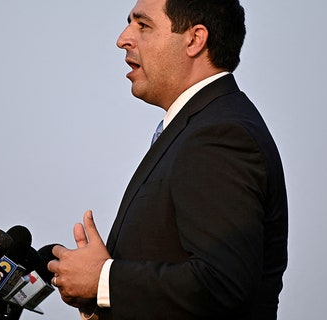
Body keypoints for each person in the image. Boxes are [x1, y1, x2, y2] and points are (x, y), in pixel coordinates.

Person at [47, 0, 288, 319]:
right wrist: (98, 302)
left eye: (143, 25)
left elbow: (222, 284)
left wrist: (104, 280)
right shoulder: (198, 128)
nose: (123, 38)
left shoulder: (219, 135)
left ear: (194, 39)